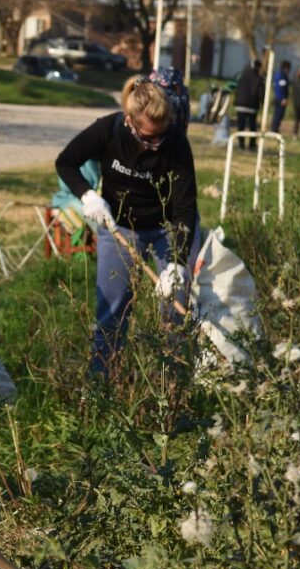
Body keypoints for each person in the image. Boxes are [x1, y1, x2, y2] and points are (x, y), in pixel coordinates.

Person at [55, 75, 200, 377]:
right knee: (111, 313)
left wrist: (176, 262)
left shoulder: (176, 144)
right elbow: (66, 161)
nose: (155, 144)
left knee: (173, 311)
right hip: (119, 228)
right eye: (148, 138)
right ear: (130, 122)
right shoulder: (108, 129)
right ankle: (101, 386)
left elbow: (186, 208)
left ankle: (169, 387)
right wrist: (87, 195)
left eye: (161, 135)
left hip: (165, 230)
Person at [234, 59, 262, 150]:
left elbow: (235, 86)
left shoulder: (241, 75)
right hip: (252, 105)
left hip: (240, 104)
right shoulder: (259, 78)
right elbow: (261, 93)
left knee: (240, 125)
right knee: (252, 126)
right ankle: (252, 144)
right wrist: (261, 102)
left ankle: (241, 144)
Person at [270, 60, 291, 133]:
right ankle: (274, 129)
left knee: (277, 114)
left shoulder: (278, 75)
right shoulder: (282, 76)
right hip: (280, 99)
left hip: (277, 98)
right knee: (278, 115)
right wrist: (283, 98)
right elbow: (282, 88)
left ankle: (275, 128)